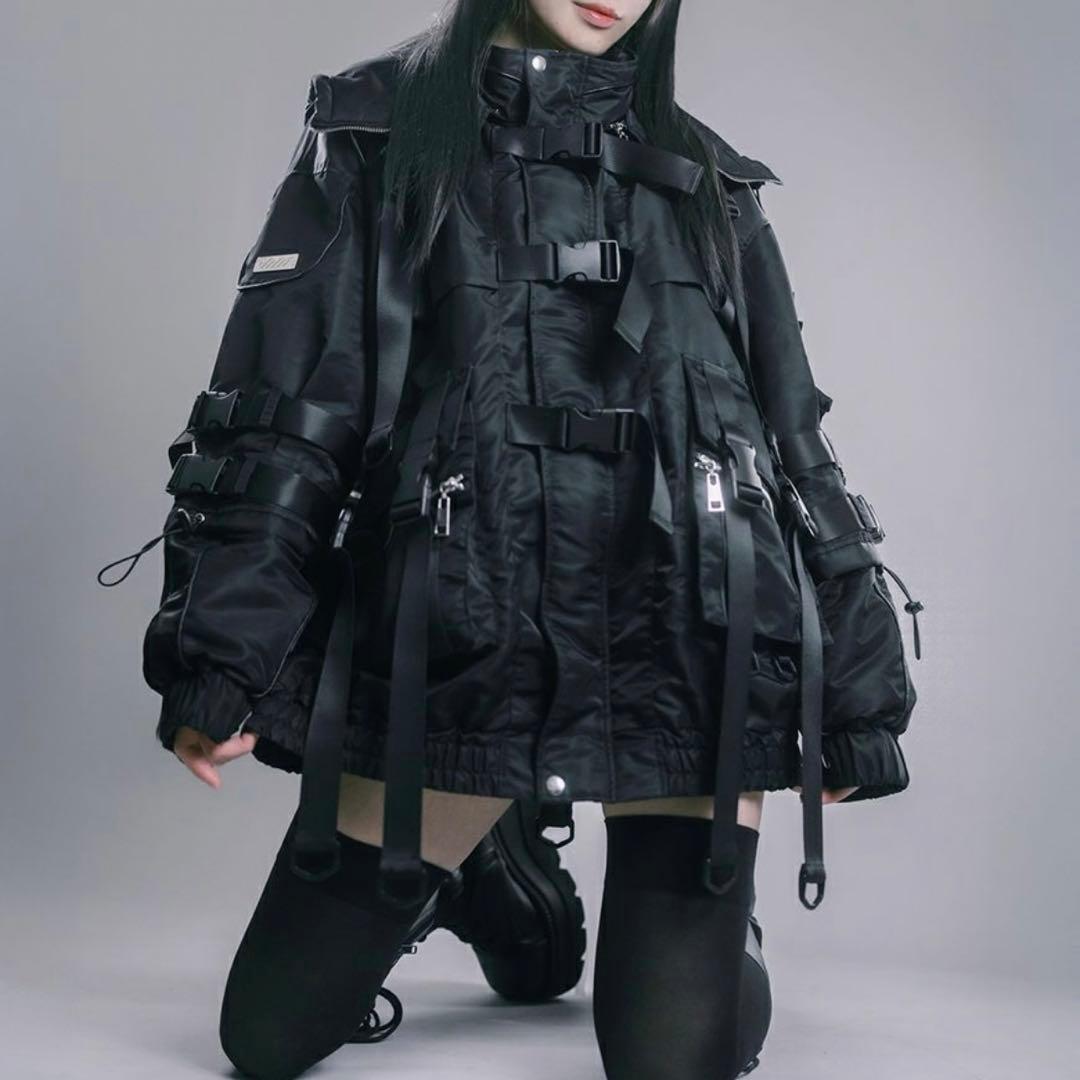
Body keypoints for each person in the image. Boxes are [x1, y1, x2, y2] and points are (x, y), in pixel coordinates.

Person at [100, 0, 923, 1076]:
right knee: (265, 1039)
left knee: (672, 1061)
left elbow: (790, 440)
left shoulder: (709, 180)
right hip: (457, 644)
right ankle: (487, 860)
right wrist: (221, 655)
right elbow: (289, 406)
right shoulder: (375, 138)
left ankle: (723, 935)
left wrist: (860, 687)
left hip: (683, 644)